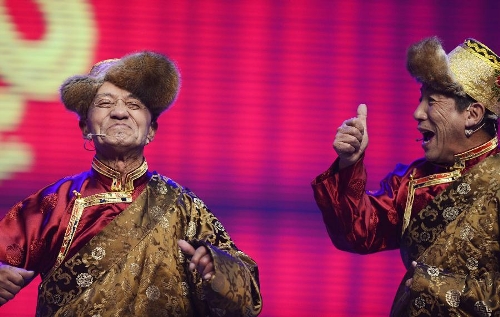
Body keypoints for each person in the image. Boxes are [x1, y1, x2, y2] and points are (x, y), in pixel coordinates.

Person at [0, 51, 262, 316]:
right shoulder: (53, 204)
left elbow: (249, 299)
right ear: (84, 127)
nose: (120, 112)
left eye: (134, 105)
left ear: (151, 130)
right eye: (105, 103)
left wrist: (217, 268)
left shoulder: (185, 207)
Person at [311, 36, 500, 316]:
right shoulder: (414, 180)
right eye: (420, 98)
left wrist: (436, 286)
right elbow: (358, 234)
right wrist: (350, 163)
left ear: (472, 114)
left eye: (432, 101)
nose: (417, 112)